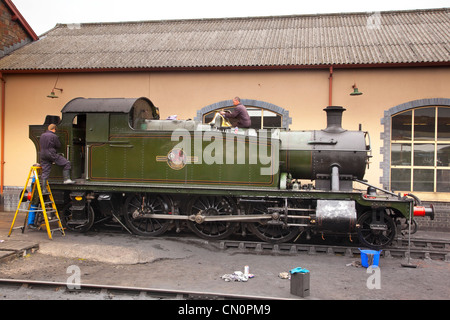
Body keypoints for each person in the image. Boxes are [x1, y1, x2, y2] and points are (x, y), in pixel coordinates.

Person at [39, 124, 74, 188]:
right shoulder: (53, 136)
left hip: (43, 154)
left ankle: (43, 189)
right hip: (51, 153)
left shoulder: (42, 135)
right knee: (67, 163)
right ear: (54, 129)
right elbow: (58, 145)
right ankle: (66, 179)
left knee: (45, 172)